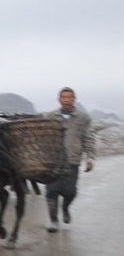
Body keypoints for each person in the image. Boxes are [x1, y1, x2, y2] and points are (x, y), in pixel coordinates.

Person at [45, 87, 96, 232]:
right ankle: (53, 221)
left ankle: (65, 208)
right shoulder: (50, 116)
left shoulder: (83, 118)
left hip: (73, 159)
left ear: (74, 99)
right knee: (51, 191)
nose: (67, 100)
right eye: (64, 97)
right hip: (53, 160)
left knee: (70, 192)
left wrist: (90, 157)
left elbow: (88, 138)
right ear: (59, 99)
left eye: (70, 97)